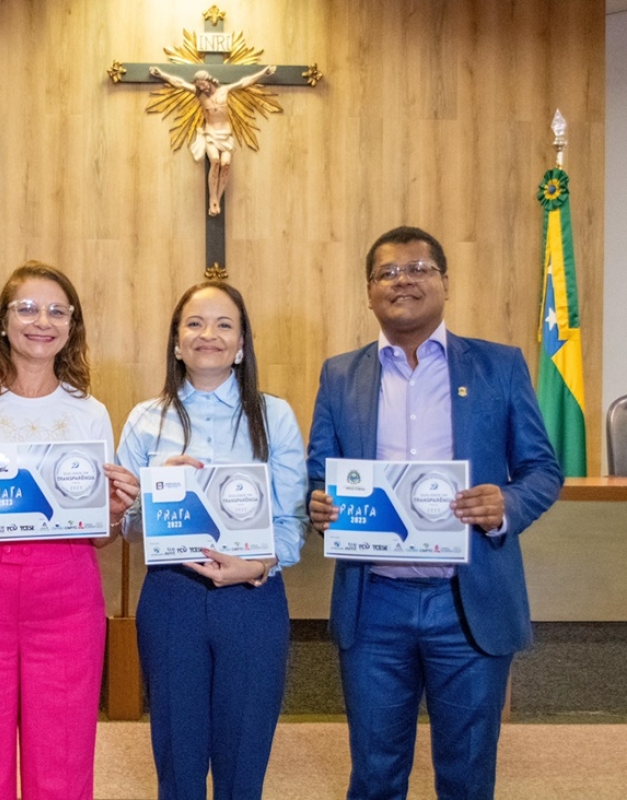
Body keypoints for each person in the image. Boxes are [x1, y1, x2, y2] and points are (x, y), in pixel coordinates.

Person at [306, 226, 563, 800]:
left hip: (467, 601)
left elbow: (543, 470)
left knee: (468, 773)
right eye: (387, 273)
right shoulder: (340, 374)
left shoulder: (500, 366)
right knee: (374, 772)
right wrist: (318, 502)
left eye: (419, 269)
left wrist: (507, 505)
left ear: (445, 283)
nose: (403, 280)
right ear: (369, 292)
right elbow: (319, 473)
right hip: (375, 604)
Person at [0, 261, 140, 800]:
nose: (42, 321)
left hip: (65, 591)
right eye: (27, 308)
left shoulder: (90, 413)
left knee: (61, 754)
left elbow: (97, 533)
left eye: (57, 311)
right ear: (3, 321)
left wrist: (113, 510)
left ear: (71, 327)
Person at [117, 280, 308, 800]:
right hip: (171, 597)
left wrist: (260, 564)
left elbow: (293, 522)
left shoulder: (275, 416)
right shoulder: (144, 419)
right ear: (177, 342)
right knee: (176, 760)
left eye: (225, 324)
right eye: (195, 324)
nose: (209, 334)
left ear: (242, 343)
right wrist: (156, 495)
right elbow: (127, 527)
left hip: (253, 598)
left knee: (244, 760)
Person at [148, 63, 276, 217]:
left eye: (202, 85)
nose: (202, 89)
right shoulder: (200, 95)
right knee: (215, 161)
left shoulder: (224, 90)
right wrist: (161, 74)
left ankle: (218, 197)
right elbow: (179, 83)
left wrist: (263, 73)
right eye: (199, 87)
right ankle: (212, 199)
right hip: (211, 134)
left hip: (226, 134)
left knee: (226, 164)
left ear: (208, 80)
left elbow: (244, 82)